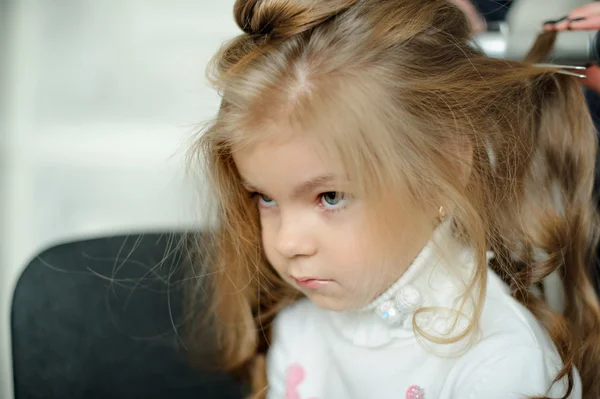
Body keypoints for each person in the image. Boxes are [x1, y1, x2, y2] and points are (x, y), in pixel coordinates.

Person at [187, 0, 600, 398]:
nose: (287, 243)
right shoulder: (301, 330)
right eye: (264, 198)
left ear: (446, 169)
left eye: (330, 197)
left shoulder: (502, 367)